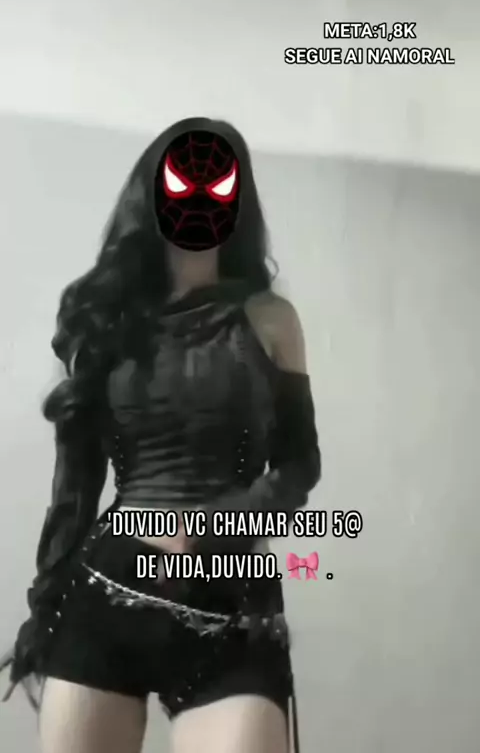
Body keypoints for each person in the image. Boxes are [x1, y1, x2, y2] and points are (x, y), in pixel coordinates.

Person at [0, 117, 321, 753]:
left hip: (230, 602)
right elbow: (74, 488)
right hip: (105, 595)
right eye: (184, 181)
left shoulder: (270, 319)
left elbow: (299, 464)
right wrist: (43, 612)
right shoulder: (103, 319)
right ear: (152, 192)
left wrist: (210, 527)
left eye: (218, 185)